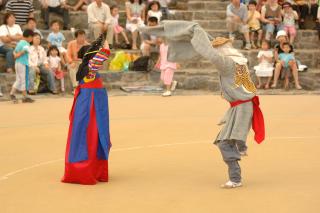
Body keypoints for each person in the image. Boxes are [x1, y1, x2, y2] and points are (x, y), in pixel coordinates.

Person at [140, 21, 265, 188]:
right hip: (242, 106)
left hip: (242, 108)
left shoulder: (227, 64)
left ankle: (236, 177)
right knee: (230, 138)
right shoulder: (239, 61)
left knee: (224, 142)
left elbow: (211, 54)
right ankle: (241, 145)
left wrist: (197, 32)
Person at [62, 33, 112, 185]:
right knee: (92, 133)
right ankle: (89, 169)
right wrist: (106, 39)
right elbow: (106, 52)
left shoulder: (83, 67)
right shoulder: (91, 66)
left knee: (82, 133)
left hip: (84, 101)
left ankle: (81, 167)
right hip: (92, 104)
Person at [10, 29, 34, 103]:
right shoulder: (26, 44)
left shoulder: (20, 43)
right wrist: (23, 51)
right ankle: (24, 97)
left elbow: (14, 52)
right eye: (32, 37)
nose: (32, 39)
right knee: (23, 80)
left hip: (18, 63)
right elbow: (19, 54)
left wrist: (17, 54)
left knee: (19, 80)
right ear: (29, 37)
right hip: (22, 63)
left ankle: (12, 93)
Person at [67, 29, 89, 94]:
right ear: (76, 37)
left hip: (83, 62)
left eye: (83, 36)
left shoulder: (87, 45)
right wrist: (71, 62)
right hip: (73, 61)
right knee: (72, 68)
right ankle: (76, 87)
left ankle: (86, 88)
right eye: (80, 36)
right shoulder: (71, 43)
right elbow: (68, 55)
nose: (82, 38)